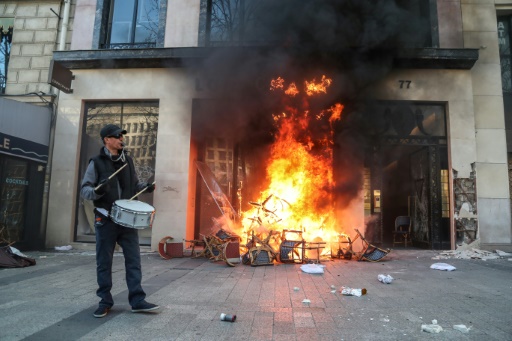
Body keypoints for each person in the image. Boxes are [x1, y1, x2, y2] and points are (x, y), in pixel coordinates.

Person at [80, 124, 158, 318]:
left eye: (122, 136)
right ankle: (105, 301)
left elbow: (133, 184)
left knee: (134, 261)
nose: (122, 139)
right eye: (117, 136)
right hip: (105, 219)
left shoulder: (128, 161)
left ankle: (137, 300)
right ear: (107, 139)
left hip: (127, 220)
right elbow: (85, 190)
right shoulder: (96, 162)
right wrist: (98, 190)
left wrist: (145, 187)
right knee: (104, 262)